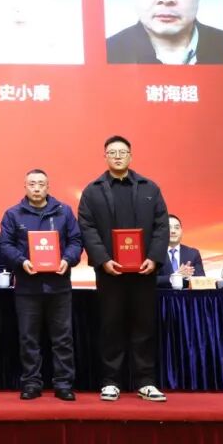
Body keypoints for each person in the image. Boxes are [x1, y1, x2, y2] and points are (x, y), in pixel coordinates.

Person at [77, 135, 170, 403]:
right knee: (111, 326)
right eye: (112, 152)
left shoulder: (150, 188)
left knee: (144, 326)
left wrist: (154, 258)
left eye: (122, 152)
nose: (117, 157)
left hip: (144, 271)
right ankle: (111, 382)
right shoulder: (92, 191)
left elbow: (162, 225)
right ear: (105, 156)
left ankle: (145, 382)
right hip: (110, 272)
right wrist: (103, 259)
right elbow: (87, 227)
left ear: (131, 156)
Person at [0, 169, 83, 401]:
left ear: (48, 187)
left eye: (41, 184)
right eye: (32, 184)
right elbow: (5, 245)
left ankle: (63, 384)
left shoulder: (64, 211)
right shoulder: (13, 214)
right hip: (27, 288)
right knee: (28, 338)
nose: (36, 188)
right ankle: (31, 383)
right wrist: (21, 261)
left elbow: (76, 241)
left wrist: (67, 260)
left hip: (59, 286)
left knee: (63, 338)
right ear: (25, 186)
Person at [156, 214, 205, 288]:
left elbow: (202, 281)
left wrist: (187, 277)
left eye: (177, 228)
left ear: (181, 231)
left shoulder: (193, 254)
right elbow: (148, 280)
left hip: (186, 295)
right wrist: (175, 276)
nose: (173, 231)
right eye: (169, 228)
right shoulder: (154, 254)